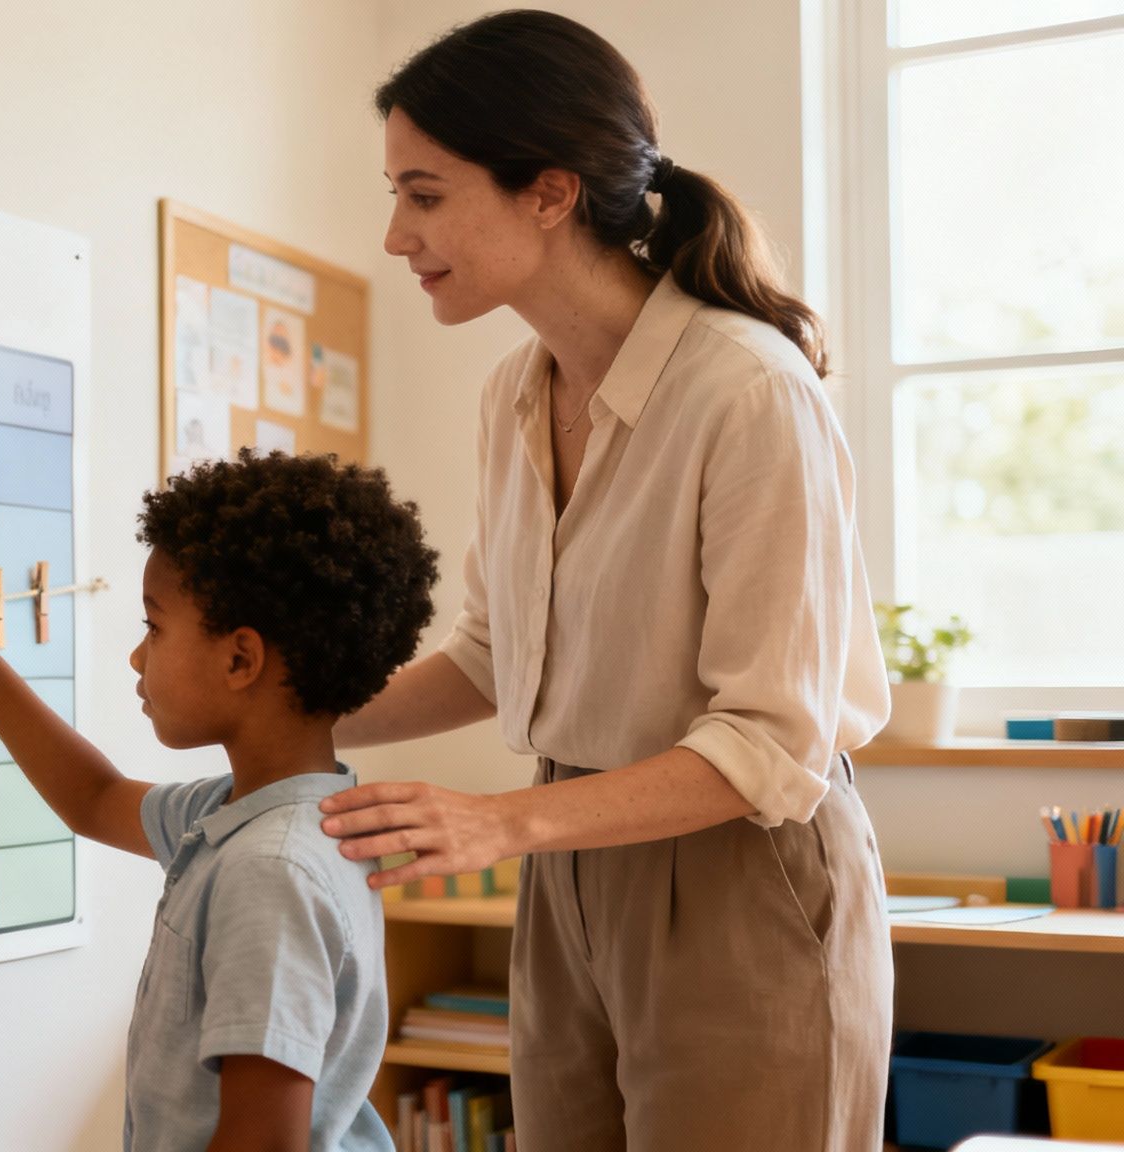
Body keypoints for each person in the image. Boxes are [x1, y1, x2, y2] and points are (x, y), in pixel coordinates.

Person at [320, 11, 894, 1150]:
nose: (394, 234)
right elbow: (493, 655)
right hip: (567, 870)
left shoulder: (744, 390)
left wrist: (498, 821)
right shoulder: (512, 396)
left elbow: (768, 742)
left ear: (548, 191)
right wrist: (284, 715)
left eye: (424, 194)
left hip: (737, 875)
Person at [0, 450, 439, 1152]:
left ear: (241, 660)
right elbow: (95, 797)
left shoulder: (271, 870)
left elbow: (262, 1143)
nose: (138, 658)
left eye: (153, 627)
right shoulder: (270, 815)